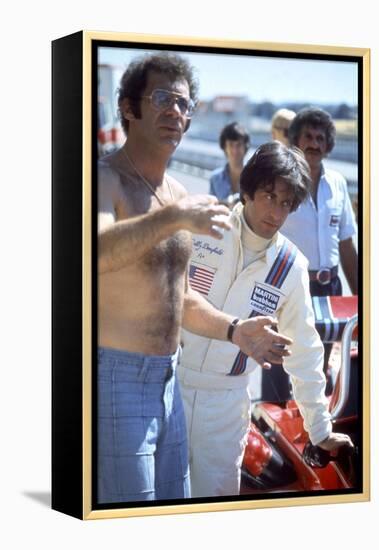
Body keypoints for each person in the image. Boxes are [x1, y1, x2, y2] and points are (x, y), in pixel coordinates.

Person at [97, 53, 292, 504]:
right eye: (162, 98)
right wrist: (173, 219)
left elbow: (181, 298)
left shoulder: (178, 195)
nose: (175, 112)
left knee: (175, 508)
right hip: (117, 377)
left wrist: (234, 329)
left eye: (184, 104)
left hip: (170, 382)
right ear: (129, 107)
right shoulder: (104, 178)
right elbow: (92, 253)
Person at [178, 142, 353, 498]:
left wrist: (319, 429)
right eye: (269, 196)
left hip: (226, 405)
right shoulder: (204, 228)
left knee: (212, 506)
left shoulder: (291, 267)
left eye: (286, 203)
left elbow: (305, 352)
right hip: (169, 387)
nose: (275, 211)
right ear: (247, 190)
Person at [281, 107, 358, 376]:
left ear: (328, 145)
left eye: (320, 138)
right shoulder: (282, 183)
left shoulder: (337, 183)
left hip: (330, 291)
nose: (314, 143)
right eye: (308, 137)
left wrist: (361, 297)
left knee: (319, 370)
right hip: (291, 289)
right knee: (282, 365)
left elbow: (347, 244)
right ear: (296, 141)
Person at [209, 121, 250, 207]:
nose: (235, 150)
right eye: (231, 145)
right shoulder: (215, 179)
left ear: (245, 146)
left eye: (238, 145)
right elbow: (211, 208)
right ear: (224, 147)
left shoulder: (255, 177)